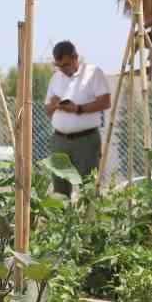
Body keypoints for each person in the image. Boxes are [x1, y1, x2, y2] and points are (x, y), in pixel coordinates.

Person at [44, 41, 111, 194]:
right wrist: (54, 105)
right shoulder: (56, 78)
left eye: (66, 64)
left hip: (86, 141)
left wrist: (78, 109)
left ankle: (91, 218)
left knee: (89, 188)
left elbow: (106, 102)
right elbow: (47, 111)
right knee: (59, 192)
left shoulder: (93, 73)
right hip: (59, 141)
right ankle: (62, 218)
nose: (63, 69)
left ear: (76, 58)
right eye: (59, 65)